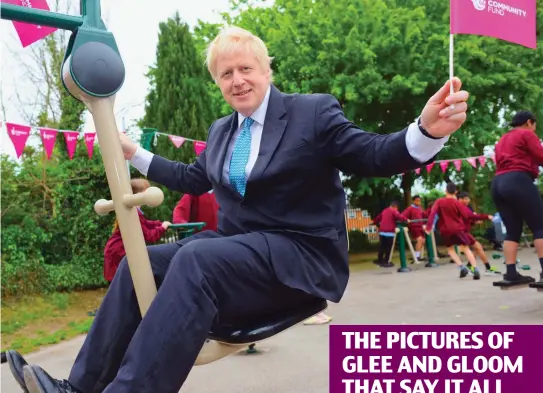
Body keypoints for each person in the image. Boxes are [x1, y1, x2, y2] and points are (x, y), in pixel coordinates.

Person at [9, 26, 470, 393]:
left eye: (245, 68)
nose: (237, 81)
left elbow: (372, 154)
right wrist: (131, 152)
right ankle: (80, 386)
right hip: (240, 253)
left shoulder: (312, 114)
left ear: (266, 69)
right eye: (226, 75)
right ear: (218, 82)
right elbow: (193, 178)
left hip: (298, 257)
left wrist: (425, 132)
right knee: (139, 263)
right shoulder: (225, 131)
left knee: (196, 258)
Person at [491, 111, 543, 289]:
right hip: (518, 180)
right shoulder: (527, 134)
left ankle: (511, 274)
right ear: (529, 122)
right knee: (540, 226)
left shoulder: (502, 140)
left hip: (498, 183)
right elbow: (540, 156)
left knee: (512, 230)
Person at [103, 179, 172, 282]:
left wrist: (158, 223)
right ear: (139, 195)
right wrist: (162, 228)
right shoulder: (133, 211)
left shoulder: (134, 210)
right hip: (119, 252)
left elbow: (145, 223)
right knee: (122, 283)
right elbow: (148, 235)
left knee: (126, 282)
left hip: (118, 250)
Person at [426, 182, 481, 279]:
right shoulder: (457, 203)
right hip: (458, 229)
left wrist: (428, 228)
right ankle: (475, 268)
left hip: (445, 230)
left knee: (450, 250)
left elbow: (432, 214)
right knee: (466, 248)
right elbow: (465, 216)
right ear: (455, 192)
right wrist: (475, 220)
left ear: (445, 190)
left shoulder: (439, 201)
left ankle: (461, 267)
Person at [456, 191, 500, 276]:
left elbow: (467, 219)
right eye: (465, 199)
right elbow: (471, 216)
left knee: (477, 248)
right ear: (460, 199)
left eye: (468, 198)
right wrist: (487, 216)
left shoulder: (464, 207)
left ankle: (470, 266)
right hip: (462, 232)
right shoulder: (461, 207)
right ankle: (487, 268)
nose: (468, 200)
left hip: (464, 232)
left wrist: (474, 221)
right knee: (478, 247)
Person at [372, 201, 409, 267]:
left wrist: (374, 222)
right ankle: (386, 262)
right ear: (395, 207)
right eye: (397, 208)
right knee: (388, 248)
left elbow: (378, 217)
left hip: (382, 232)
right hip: (389, 232)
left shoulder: (384, 210)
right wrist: (406, 219)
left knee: (382, 247)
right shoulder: (394, 211)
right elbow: (399, 216)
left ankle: (379, 260)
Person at [401, 195, 427, 262]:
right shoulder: (410, 208)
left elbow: (424, 215)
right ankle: (416, 257)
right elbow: (403, 215)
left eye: (419, 200)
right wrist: (407, 220)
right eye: (417, 200)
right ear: (413, 201)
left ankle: (417, 255)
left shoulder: (420, 208)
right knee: (420, 240)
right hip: (414, 227)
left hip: (420, 226)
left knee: (423, 241)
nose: (418, 202)